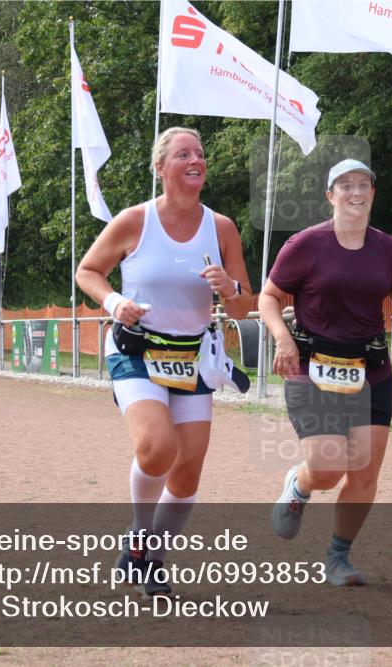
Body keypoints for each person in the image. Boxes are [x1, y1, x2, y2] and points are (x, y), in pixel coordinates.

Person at [76, 127, 252, 597]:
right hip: (138, 348)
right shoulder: (135, 221)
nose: (196, 159)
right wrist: (115, 302)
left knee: (188, 469)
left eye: (200, 153)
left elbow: (242, 307)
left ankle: (151, 558)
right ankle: (137, 536)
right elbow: (88, 271)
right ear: (161, 167)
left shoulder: (222, 228)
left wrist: (228, 288)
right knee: (158, 447)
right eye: (183, 154)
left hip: (192, 355)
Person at [259, 159, 392, 586]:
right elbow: (268, 297)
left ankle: (338, 558)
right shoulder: (305, 244)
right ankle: (299, 485)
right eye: (346, 186)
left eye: (364, 185)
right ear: (330, 195)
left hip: (370, 370)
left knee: (365, 471)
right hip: (311, 367)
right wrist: (281, 338)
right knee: (328, 467)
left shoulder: (388, 249)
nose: (356, 193)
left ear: (373, 193)